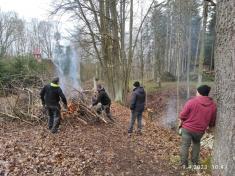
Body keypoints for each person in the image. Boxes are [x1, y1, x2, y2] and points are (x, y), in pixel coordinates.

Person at [179, 85, 216, 167]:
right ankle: (195, 163)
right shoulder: (213, 105)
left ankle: (184, 164)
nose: (196, 93)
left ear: (200, 93)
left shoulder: (192, 102)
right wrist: (210, 126)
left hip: (187, 129)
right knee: (196, 143)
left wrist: (182, 120)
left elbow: (182, 115)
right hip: (200, 131)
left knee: (185, 145)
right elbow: (212, 120)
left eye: (197, 91)